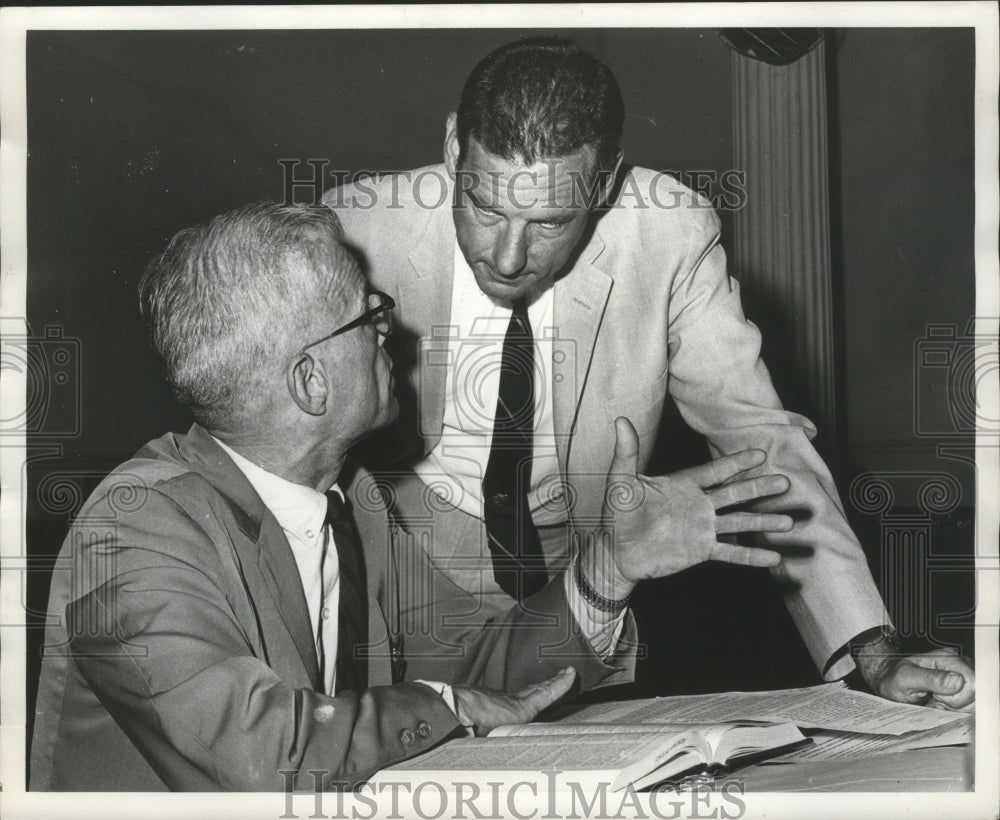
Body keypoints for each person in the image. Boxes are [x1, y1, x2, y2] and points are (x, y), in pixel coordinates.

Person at [30, 201, 792, 792]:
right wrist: (450, 708)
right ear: (310, 381)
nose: (392, 335)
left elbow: (481, 666)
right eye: (370, 314)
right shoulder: (131, 533)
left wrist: (609, 569)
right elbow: (258, 759)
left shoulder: (354, 499)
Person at [323, 36, 975, 709]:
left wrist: (871, 646)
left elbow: (758, 439)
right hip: (396, 574)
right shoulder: (356, 231)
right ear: (456, 147)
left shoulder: (668, 233)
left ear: (603, 183)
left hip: (583, 581)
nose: (508, 257)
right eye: (486, 208)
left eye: (549, 222)